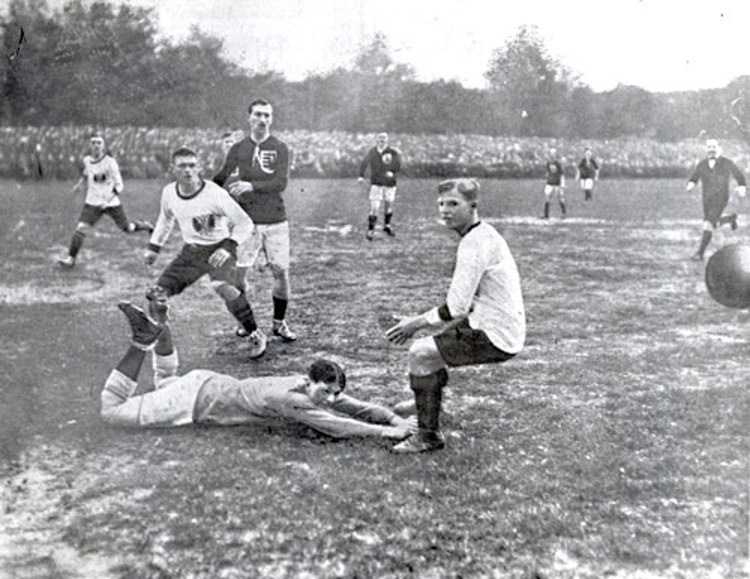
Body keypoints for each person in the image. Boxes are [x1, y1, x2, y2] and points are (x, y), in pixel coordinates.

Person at [100, 301, 414, 442]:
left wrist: (394, 417)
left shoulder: (305, 386)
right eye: (325, 392)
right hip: (193, 400)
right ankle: (142, 342)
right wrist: (386, 431)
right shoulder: (294, 400)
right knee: (111, 412)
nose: (330, 400)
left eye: (334, 394)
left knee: (166, 381)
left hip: (203, 382)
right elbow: (336, 426)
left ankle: (159, 325)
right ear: (309, 382)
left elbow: (355, 407)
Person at [385, 178, 526, 453]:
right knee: (431, 351)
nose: (445, 210)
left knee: (420, 353)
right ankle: (426, 403)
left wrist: (414, 323)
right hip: (488, 320)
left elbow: (455, 308)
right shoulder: (482, 234)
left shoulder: (474, 244)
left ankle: (427, 435)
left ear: (473, 205)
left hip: (496, 334)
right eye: (441, 204)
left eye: (453, 203)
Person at [144, 147, 267, 359]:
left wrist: (228, 246)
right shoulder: (169, 193)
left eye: (192, 165)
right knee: (157, 294)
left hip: (219, 249)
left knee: (223, 287)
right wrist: (154, 247)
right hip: (191, 253)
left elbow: (244, 222)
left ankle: (256, 334)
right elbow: (165, 220)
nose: (188, 170)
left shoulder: (214, 193)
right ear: (172, 169)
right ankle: (160, 337)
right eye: (182, 166)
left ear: (199, 167)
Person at [214, 99, 296, 342]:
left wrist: (251, 185)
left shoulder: (280, 148)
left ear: (272, 119)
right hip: (247, 222)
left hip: (276, 220)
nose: (263, 120)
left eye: (267, 115)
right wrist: (200, 195)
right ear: (249, 117)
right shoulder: (238, 149)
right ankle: (245, 322)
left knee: (281, 272)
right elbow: (221, 177)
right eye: (258, 115)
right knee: (239, 277)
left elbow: (281, 183)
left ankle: (279, 323)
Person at [58, 132, 152, 268]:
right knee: (81, 228)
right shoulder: (87, 160)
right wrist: (79, 185)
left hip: (111, 203)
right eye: (93, 143)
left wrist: (107, 201)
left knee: (128, 228)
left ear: (104, 146)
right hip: (92, 203)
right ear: (89, 145)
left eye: (99, 143)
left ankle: (146, 225)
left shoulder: (110, 162)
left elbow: (120, 185)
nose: (96, 146)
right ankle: (70, 259)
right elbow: (86, 174)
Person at [686, 138, 747, 261]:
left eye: (714, 147)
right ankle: (729, 218)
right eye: (709, 147)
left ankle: (700, 253)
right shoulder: (702, 164)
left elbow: (739, 175)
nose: (711, 149)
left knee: (708, 224)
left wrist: (741, 187)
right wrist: (691, 184)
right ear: (706, 149)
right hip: (706, 199)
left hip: (720, 198)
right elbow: (695, 176)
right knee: (712, 223)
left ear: (718, 148)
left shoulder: (726, 163)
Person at [358, 132, 402, 240]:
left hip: (389, 183)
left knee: (389, 205)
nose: (382, 140)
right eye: (380, 138)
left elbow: (398, 165)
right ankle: (370, 230)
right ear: (377, 140)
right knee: (375, 207)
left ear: (387, 140)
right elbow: (364, 163)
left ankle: (387, 226)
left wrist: (392, 171)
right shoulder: (373, 152)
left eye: (384, 138)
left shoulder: (392, 152)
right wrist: (361, 176)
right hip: (376, 183)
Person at [541, 148, 566, 219]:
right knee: (546, 197)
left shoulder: (557, 163)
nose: (552, 154)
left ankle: (563, 212)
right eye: (551, 153)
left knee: (560, 198)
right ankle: (546, 214)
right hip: (550, 182)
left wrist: (562, 183)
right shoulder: (549, 162)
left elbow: (561, 174)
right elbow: (548, 171)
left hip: (557, 183)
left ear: (555, 154)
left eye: (553, 153)